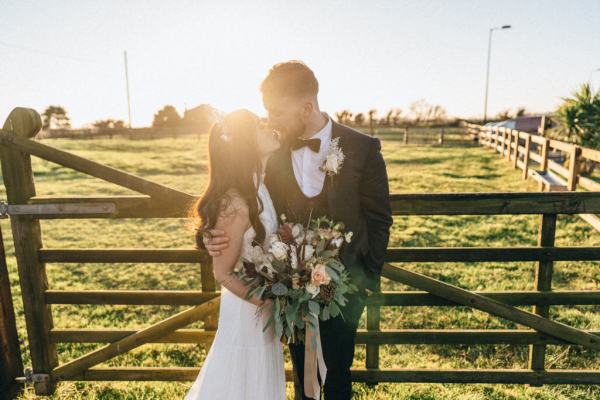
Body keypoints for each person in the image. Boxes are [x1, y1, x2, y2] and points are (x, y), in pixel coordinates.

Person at [204, 61, 393, 400]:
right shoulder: (271, 153)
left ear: (307, 107)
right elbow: (234, 200)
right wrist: (208, 237)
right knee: (301, 380)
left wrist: (365, 280)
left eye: (276, 112)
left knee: (337, 377)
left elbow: (380, 221)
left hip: (344, 291)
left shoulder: (363, 149)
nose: (271, 121)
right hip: (288, 293)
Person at [185, 109, 285, 400]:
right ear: (246, 144)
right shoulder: (236, 202)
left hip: (261, 313)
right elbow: (222, 273)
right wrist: (267, 300)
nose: (269, 126)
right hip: (247, 314)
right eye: (260, 125)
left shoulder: (259, 186)